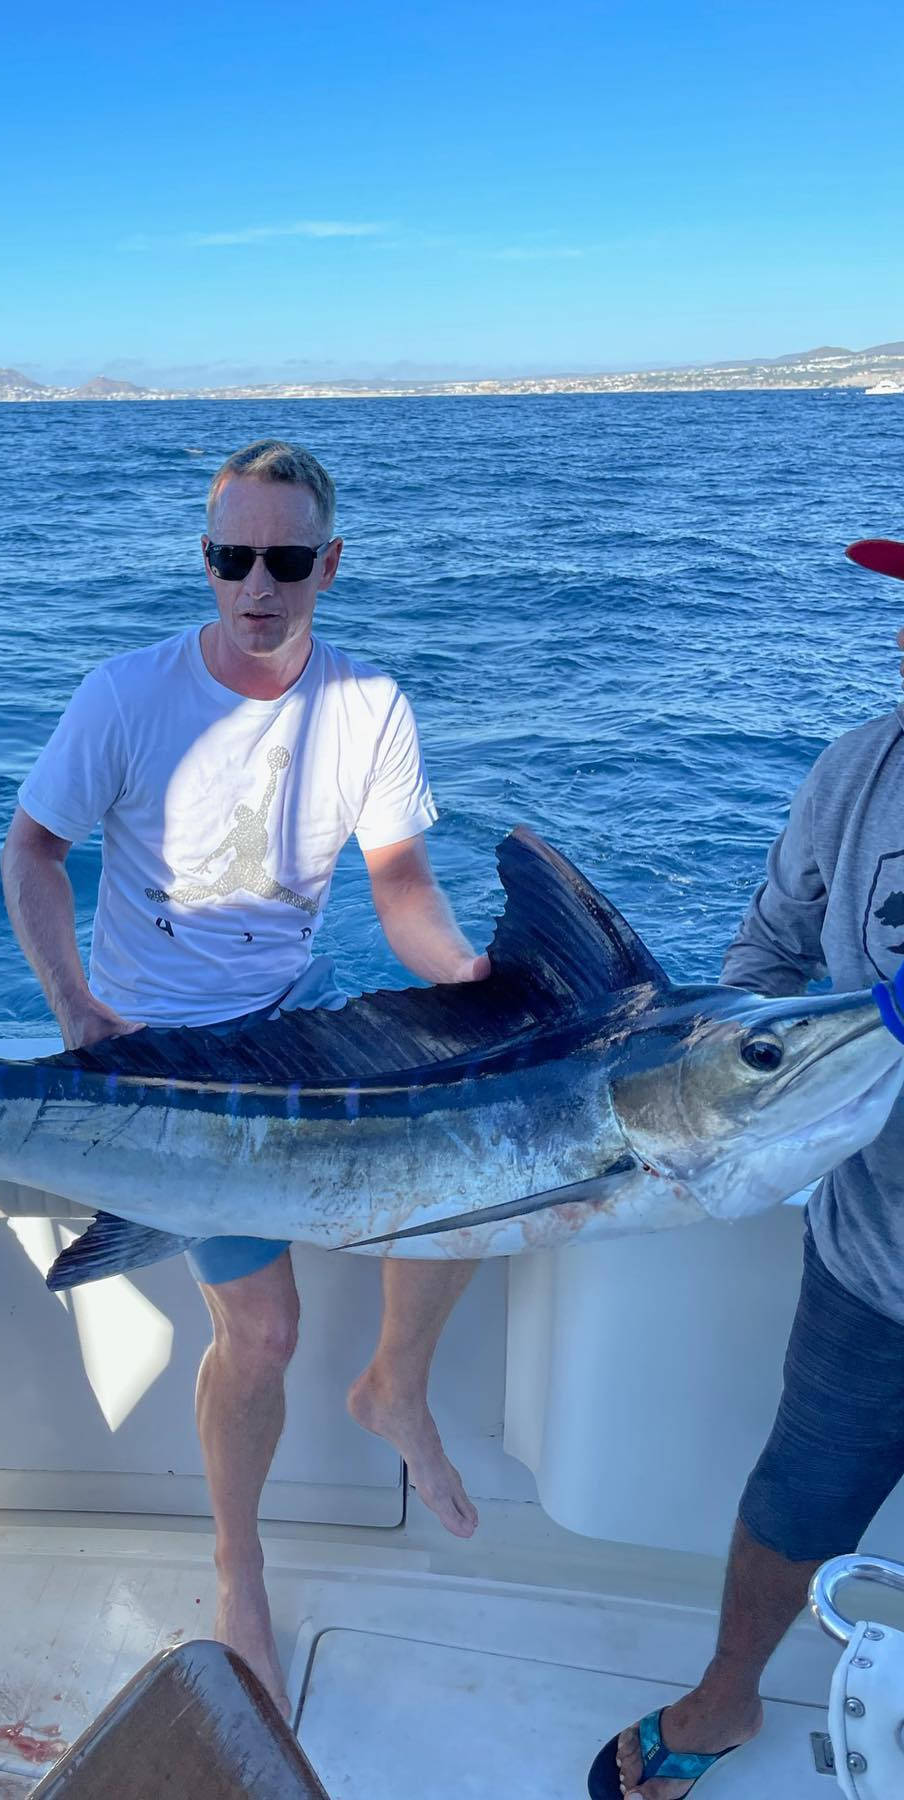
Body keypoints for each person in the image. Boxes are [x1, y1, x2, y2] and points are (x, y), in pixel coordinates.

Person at [1, 439, 489, 1712]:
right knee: (263, 1333)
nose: (256, 586)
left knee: (484, 1156)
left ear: (329, 563)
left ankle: (396, 1387)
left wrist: (473, 986)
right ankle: (238, 1571)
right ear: (206, 561)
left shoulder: (370, 702)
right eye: (232, 558)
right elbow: (33, 851)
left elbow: (399, 890)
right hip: (159, 1052)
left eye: (283, 560)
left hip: (295, 1017)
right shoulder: (126, 693)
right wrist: (75, 1008)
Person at [591, 541, 904, 1800]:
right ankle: (725, 1703)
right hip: (869, 1255)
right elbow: (770, 951)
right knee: (795, 1495)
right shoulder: (862, 767)